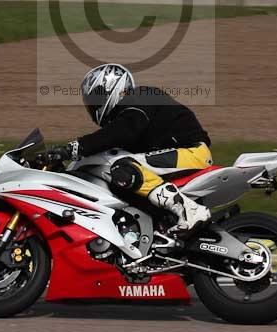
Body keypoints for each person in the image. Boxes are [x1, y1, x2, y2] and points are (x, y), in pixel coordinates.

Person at [47, 63, 213, 234]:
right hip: (175, 154)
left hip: (191, 152)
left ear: (113, 88)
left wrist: (73, 148)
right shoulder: (124, 116)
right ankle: (157, 225)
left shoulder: (140, 97)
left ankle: (190, 210)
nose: (93, 104)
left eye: (96, 97)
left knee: (121, 166)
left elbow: (120, 132)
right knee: (117, 174)